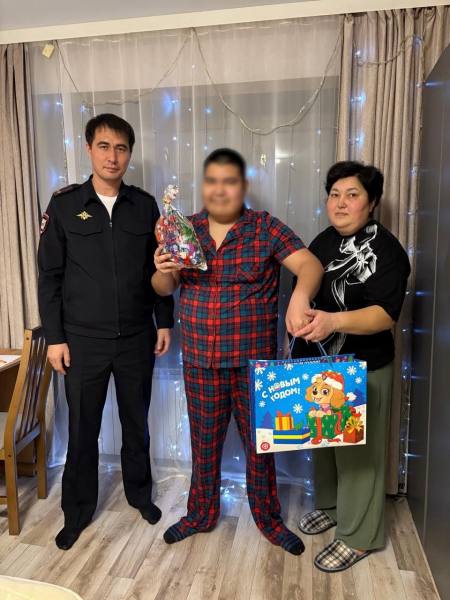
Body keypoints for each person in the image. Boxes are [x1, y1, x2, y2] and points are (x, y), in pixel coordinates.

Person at [152, 148, 323, 555]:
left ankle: (268, 520)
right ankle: (200, 515)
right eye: (212, 181)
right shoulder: (184, 228)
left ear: (242, 186)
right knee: (203, 444)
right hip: (200, 361)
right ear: (204, 186)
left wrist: (299, 298)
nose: (220, 189)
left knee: (262, 447)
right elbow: (163, 288)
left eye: (229, 181)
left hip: (253, 365)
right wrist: (162, 270)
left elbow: (311, 266)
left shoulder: (265, 228)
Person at [38, 113, 174, 550]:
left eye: (121, 148)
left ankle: (140, 496)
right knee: (83, 430)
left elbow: (161, 267)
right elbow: (50, 277)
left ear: (129, 154)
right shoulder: (64, 205)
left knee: (137, 425)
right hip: (82, 342)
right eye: (103, 146)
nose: (112, 156)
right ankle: (77, 512)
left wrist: (164, 320)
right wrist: (55, 338)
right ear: (88, 149)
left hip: (136, 337)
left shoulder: (145, 205)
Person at [293, 161, 410, 572]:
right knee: (325, 442)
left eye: (352, 195)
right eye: (334, 195)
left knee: (359, 455)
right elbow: (306, 278)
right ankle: (332, 506)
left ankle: (359, 537)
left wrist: (333, 322)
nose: (340, 203)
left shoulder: (388, 251)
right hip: (322, 366)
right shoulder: (323, 240)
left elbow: (384, 315)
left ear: (372, 202)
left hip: (365, 368)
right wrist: (299, 305)